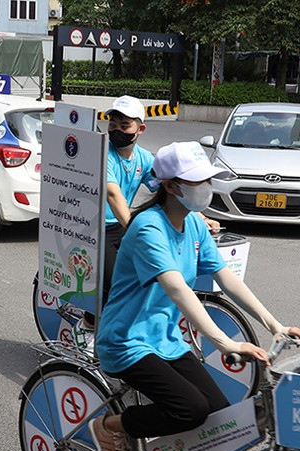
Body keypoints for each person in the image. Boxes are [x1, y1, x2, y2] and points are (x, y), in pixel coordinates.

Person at [87, 141, 300, 451]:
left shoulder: (192, 223)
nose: (206, 187)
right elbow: (177, 288)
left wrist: (275, 325)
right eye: (198, 181)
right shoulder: (147, 227)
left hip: (166, 340)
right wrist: (225, 342)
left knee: (220, 415)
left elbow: (225, 278)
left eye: (208, 179)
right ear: (172, 186)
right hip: (127, 341)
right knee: (189, 409)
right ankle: (110, 428)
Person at [75, 96, 219, 348]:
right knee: (114, 282)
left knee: (144, 279)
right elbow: (113, 195)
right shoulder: (102, 154)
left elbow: (169, 190)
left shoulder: (143, 159)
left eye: (125, 125)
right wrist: (137, 230)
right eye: (114, 123)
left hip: (122, 226)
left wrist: (200, 215)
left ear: (140, 129)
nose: (117, 129)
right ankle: (88, 324)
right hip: (96, 227)